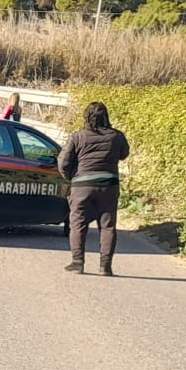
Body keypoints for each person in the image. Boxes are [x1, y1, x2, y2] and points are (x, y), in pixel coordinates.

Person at [58, 100, 129, 276]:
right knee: (107, 226)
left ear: (86, 117)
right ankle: (105, 266)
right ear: (106, 117)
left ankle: (77, 262)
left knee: (78, 224)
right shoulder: (117, 136)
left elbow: (63, 162)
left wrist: (71, 178)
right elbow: (124, 154)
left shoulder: (78, 137)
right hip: (109, 187)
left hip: (82, 186)